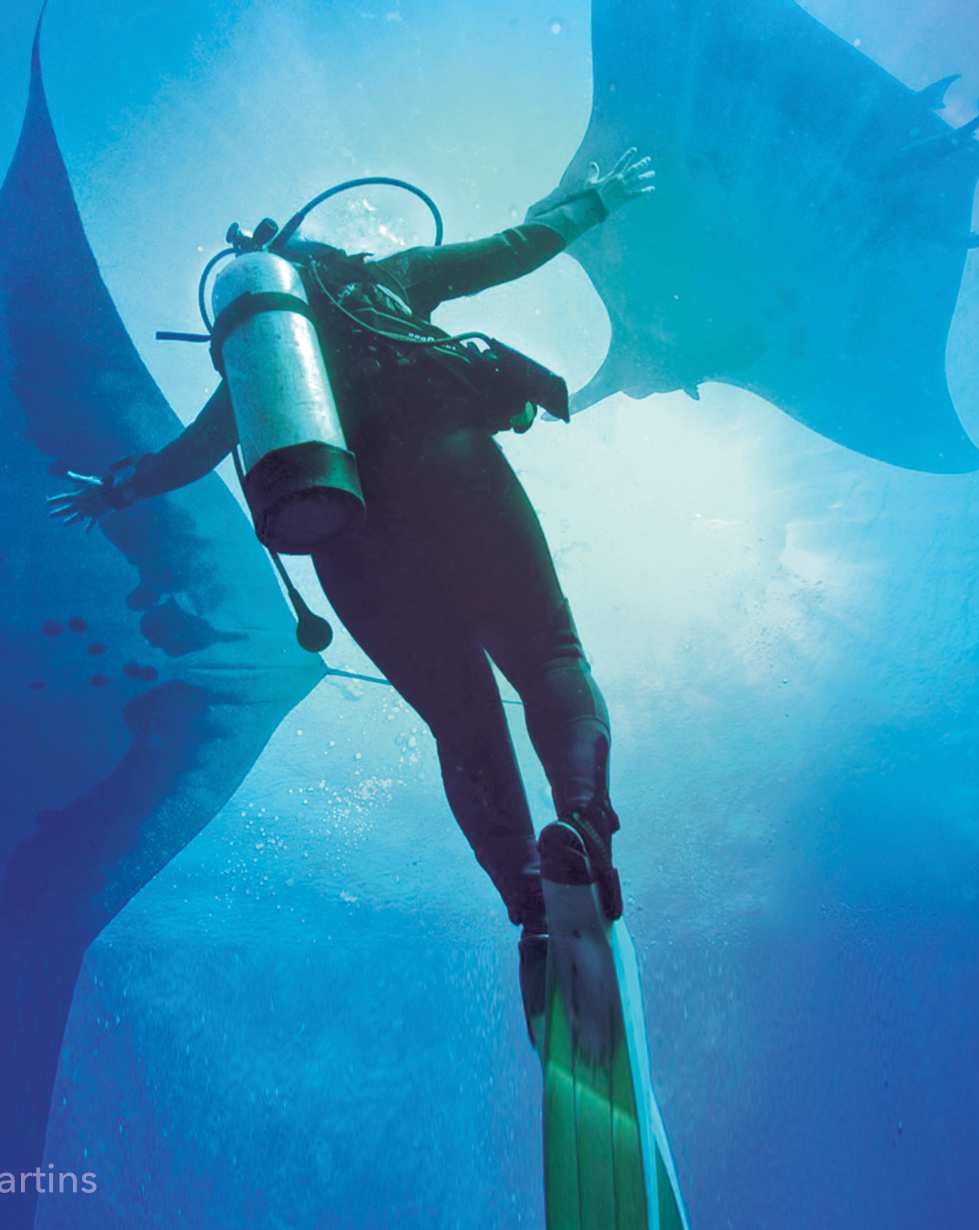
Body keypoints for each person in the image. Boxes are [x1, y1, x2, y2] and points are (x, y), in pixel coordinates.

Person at [49, 149, 656, 1020]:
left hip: (341, 523)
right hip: (451, 471)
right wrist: (594, 203)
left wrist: (116, 488)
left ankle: (530, 912)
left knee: (462, 723)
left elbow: (192, 453)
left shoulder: (262, 369)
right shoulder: (390, 280)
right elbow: (514, 248)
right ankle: (584, 829)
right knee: (550, 655)